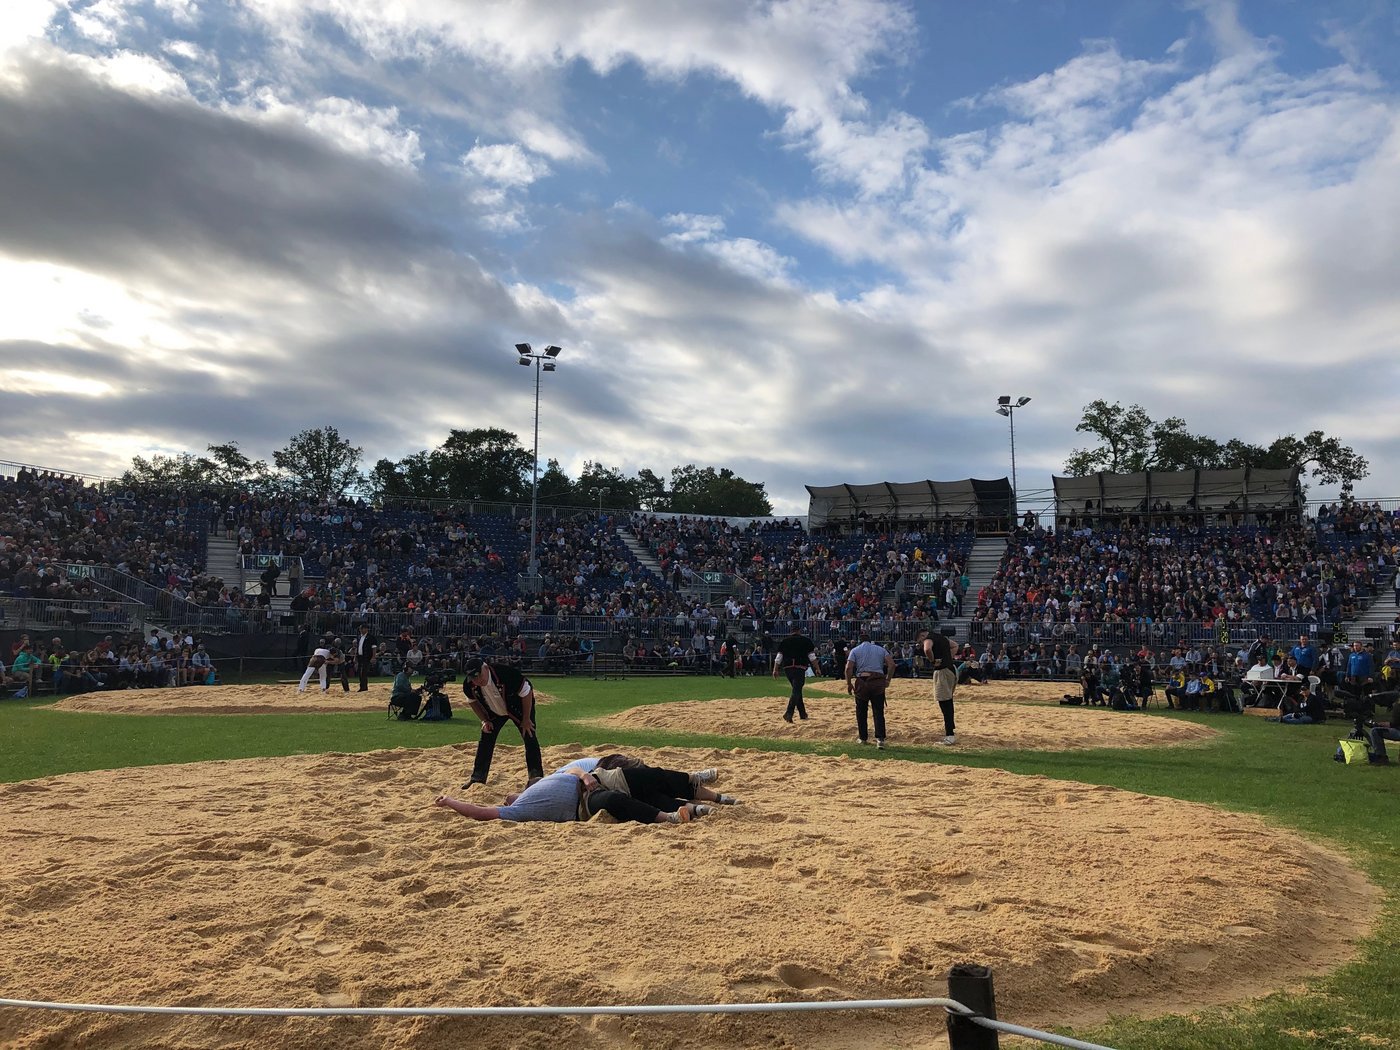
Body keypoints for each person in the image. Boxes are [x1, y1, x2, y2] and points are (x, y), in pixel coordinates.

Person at [432, 765, 713, 826]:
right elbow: (482, 812)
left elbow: (577, 768)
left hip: (595, 778)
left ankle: (696, 786)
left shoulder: (547, 780)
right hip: (583, 804)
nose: (507, 798)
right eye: (506, 799)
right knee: (615, 802)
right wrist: (451, 802)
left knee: (644, 776)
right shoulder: (518, 811)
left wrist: (585, 776)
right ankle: (671, 817)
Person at [461, 657, 544, 787]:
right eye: (474, 679)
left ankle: (536, 776)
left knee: (529, 735)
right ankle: (478, 778)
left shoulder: (506, 673)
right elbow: (472, 702)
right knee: (486, 737)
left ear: (486, 668)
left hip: (518, 706)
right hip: (494, 710)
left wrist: (526, 719)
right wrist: (484, 720)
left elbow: (526, 691)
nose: (478, 681)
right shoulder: (469, 685)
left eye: (479, 676)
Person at [845, 628, 895, 749]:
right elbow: (892, 664)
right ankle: (880, 739)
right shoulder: (880, 649)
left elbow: (848, 668)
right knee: (878, 711)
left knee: (861, 711)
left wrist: (849, 683)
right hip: (877, 681)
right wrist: (888, 679)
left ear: (859, 641)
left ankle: (863, 737)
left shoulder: (855, 650)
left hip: (862, 681)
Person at [918, 625, 958, 744]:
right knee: (948, 701)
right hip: (951, 669)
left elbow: (927, 649)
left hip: (942, 672)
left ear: (922, 636)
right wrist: (947, 658)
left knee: (944, 702)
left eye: (920, 641)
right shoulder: (941, 637)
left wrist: (932, 660)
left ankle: (950, 734)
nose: (921, 643)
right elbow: (955, 645)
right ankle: (950, 730)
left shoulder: (928, 638)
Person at [772, 624, 819, 723]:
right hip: (799, 668)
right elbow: (812, 657)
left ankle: (802, 713)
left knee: (797, 690)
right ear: (799, 631)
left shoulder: (785, 641)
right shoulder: (806, 641)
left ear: (791, 631)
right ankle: (789, 713)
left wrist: (775, 669)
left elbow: (779, 657)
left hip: (788, 668)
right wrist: (817, 668)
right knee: (796, 691)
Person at [1364, 696, 1400, 765]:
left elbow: (1393, 724)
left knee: (1375, 731)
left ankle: (1381, 757)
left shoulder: (1397, 706)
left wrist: (1378, 724)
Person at [353, 623, 376, 691]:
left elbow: (374, 647)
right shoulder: (359, 637)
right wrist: (355, 656)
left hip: (367, 656)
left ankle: (363, 687)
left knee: (364, 672)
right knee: (360, 672)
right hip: (360, 656)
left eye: (362, 629)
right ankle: (362, 686)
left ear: (366, 629)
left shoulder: (371, 637)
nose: (360, 630)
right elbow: (357, 647)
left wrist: (373, 657)